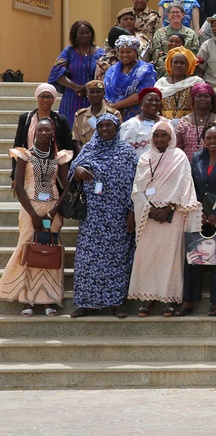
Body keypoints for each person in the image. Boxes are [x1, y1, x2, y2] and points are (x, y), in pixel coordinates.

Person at [67, 114, 138, 318]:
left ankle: (116, 304)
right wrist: (78, 169)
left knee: (117, 260)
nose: (105, 129)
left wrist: (132, 212)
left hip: (117, 216)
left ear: (117, 128)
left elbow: (136, 184)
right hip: (92, 217)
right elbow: (72, 170)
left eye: (109, 125)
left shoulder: (126, 152)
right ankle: (85, 304)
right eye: (101, 126)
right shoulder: (89, 148)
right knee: (87, 261)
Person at [127, 122, 200, 317]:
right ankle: (148, 299)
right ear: (152, 137)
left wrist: (168, 207)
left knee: (170, 259)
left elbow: (183, 185)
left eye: (163, 136)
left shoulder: (179, 157)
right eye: (156, 136)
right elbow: (138, 189)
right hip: (148, 215)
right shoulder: (144, 158)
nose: (160, 139)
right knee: (148, 257)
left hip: (172, 214)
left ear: (170, 138)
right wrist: (150, 210)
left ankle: (168, 300)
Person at [1, 118, 72, 316]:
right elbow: (19, 187)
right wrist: (33, 215)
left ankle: (48, 299)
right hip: (29, 207)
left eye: (47, 130)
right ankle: (27, 300)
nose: (43, 133)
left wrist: (54, 210)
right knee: (28, 250)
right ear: (34, 132)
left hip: (52, 207)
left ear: (52, 134)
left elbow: (67, 187)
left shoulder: (60, 157)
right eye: (39, 130)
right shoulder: (24, 155)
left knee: (50, 250)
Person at [179, 122, 216, 317]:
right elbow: (191, 185)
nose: (212, 141)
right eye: (208, 138)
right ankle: (189, 300)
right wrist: (199, 211)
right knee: (193, 256)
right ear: (203, 141)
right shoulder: (196, 157)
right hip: (198, 214)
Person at [12, 83, 73, 187]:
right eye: (42, 96)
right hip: (30, 167)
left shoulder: (61, 120)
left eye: (49, 97)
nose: (45, 100)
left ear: (54, 99)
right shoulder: (25, 118)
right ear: (37, 97)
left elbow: (69, 147)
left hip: (54, 168)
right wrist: (14, 175)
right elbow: (18, 147)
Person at [48, 20, 104, 121]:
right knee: (71, 129)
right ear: (75, 35)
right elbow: (56, 72)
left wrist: (88, 87)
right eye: (81, 33)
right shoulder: (68, 52)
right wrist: (75, 87)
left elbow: (106, 74)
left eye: (87, 32)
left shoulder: (100, 53)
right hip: (72, 98)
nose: (85, 35)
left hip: (94, 98)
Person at [174, 83, 216, 160]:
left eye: (206, 96)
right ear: (193, 99)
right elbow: (178, 148)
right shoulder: (184, 122)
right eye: (199, 96)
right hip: (188, 167)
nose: (202, 99)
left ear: (211, 99)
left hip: (213, 166)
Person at [155, 46, 203, 120]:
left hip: (189, 123)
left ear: (187, 65)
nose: (178, 65)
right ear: (170, 64)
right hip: (165, 125)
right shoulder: (161, 83)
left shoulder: (195, 82)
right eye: (175, 62)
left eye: (182, 63)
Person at [71, 80, 121, 148]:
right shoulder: (80, 116)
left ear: (104, 93)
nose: (95, 95)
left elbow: (119, 138)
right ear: (87, 94)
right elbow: (77, 142)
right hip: (85, 155)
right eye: (91, 92)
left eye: (98, 91)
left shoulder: (114, 115)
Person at [119, 87, 168, 156]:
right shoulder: (132, 124)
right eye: (149, 100)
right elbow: (126, 154)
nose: (154, 103)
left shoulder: (167, 123)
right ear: (141, 104)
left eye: (157, 100)